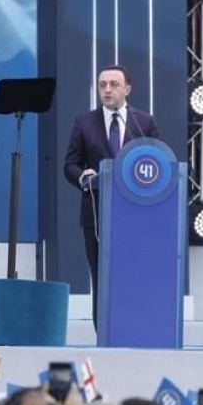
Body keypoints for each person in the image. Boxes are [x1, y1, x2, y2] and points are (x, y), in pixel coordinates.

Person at [63, 65, 160, 326]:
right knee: (102, 276)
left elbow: (158, 163)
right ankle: (104, 333)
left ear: (127, 89)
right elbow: (70, 165)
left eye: (114, 84)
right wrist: (82, 176)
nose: (107, 90)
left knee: (133, 274)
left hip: (135, 214)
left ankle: (135, 327)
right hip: (96, 214)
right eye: (102, 84)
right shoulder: (84, 122)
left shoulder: (144, 123)